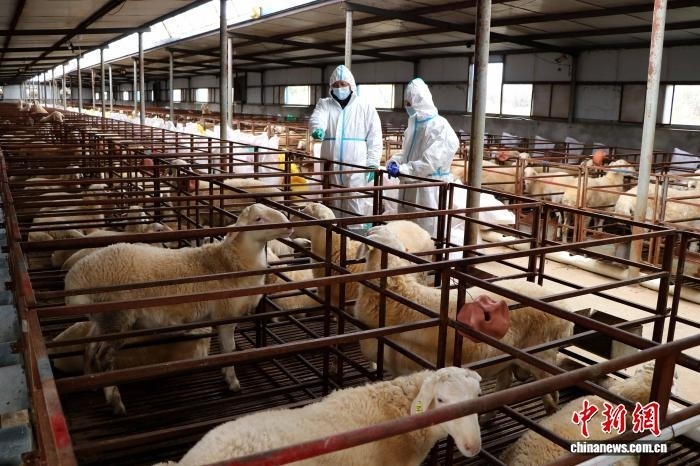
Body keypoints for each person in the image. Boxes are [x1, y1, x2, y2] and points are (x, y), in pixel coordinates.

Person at [309, 65, 382, 227]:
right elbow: (317, 118)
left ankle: (354, 237)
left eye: (343, 84)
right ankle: (334, 237)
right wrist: (317, 129)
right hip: (331, 164)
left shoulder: (365, 107)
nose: (339, 88)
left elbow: (375, 136)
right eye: (335, 85)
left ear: (351, 85)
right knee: (332, 202)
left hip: (356, 165)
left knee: (354, 201)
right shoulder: (325, 104)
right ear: (331, 87)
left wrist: (372, 162)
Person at [386, 78, 459, 236]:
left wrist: (403, 170)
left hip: (428, 190)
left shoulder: (440, 127)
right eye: (406, 103)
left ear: (420, 101)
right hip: (408, 188)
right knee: (405, 232)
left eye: (410, 103)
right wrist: (395, 162)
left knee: (425, 233)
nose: (407, 107)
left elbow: (430, 162)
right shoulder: (413, 127)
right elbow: (406, 153)